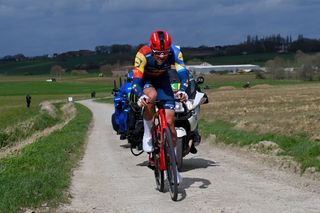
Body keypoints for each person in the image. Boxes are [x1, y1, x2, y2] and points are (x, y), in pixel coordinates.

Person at [132, 30, 189, 182]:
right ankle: (148, 133)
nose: (162, 56)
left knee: (170, 124)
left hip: (163, 81)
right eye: (158, 53)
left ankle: (174, 167)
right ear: (152, 48)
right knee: (152, 97)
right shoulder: (143, 54)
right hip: (146, 80)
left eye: (164, 53)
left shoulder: (175, 51)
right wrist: (140, 95)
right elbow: (136, 80)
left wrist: (183, 90)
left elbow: (183, 73)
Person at [113, 71, 134, 140]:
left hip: (141, 106)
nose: (132, 82)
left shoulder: (142, 84)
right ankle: (123, 132)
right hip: (128, 106)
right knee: (122, 117)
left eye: (133, 80)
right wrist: (121, 99)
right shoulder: (124, 86)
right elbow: (118, 97)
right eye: (130, 80)